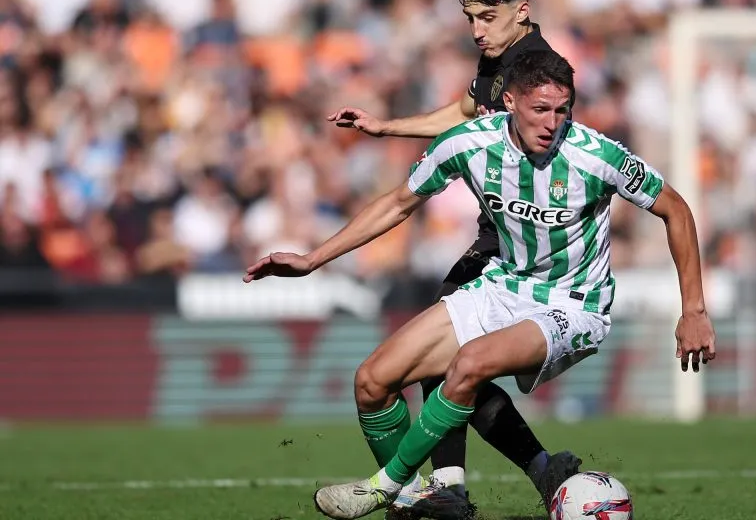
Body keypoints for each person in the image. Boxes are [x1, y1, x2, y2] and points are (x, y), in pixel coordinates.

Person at [245, 51, 717, 520]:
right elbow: (398, 203)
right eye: (539, 109)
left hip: (574, 305)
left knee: (469, 363)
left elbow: (675, 208)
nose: (553, 122)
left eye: (562, 109)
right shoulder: (467, 143)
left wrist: (693, 310)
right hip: (502, 287)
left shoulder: (596, 156)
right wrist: (312, 259)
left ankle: (381, 488)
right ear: (509, 101)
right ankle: (417, 503)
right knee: (372, 381)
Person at [325, 0, 579, 518]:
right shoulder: (500, 63)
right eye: (469, 18)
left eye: (486, 16)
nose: (475, 30)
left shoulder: (539, 72)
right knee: (454, 364)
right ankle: (520, 473)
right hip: (498, 239)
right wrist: (388, 126)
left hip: (522, 249)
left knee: (450, 362)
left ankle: (446, 490)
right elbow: (466, 110)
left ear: (523, 10)